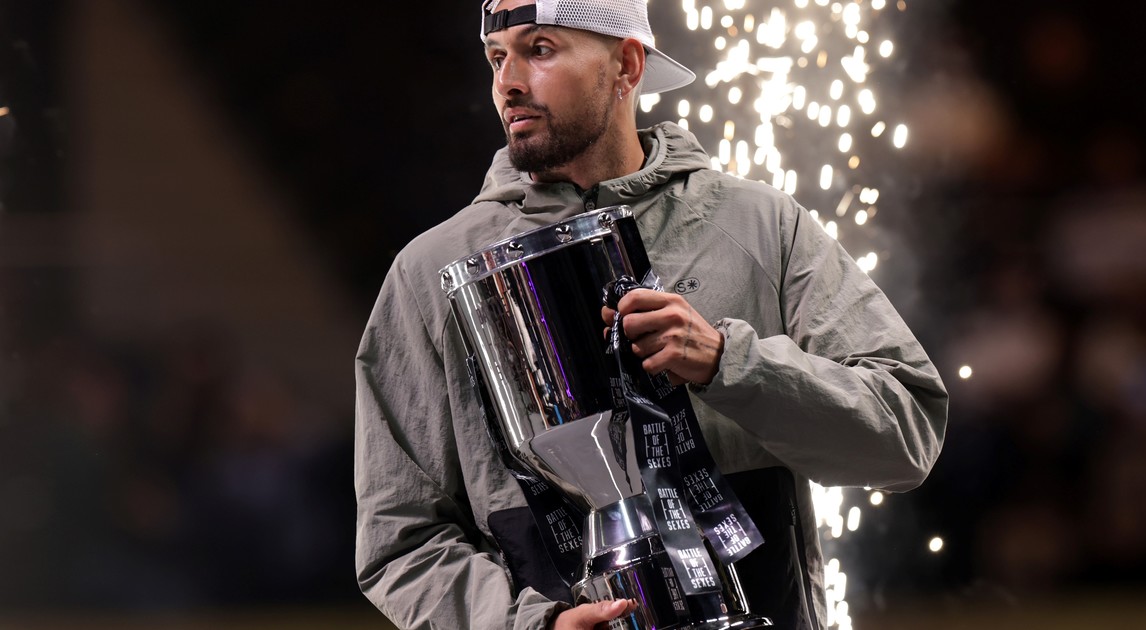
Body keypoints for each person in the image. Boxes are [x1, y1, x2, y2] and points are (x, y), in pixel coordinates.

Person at [354, 0, 949, 628]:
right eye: (497, 58)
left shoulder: (760, 224)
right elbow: (400, 542)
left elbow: (904, 437)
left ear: (627, 65)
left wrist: (731, 364)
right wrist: (530, 625)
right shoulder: (431, 273)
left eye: (540, 49)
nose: (509, 82)